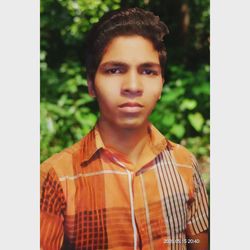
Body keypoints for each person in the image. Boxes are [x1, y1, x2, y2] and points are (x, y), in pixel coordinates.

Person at [40, 7, 209, 250]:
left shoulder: (185, 164)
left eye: (148, 71)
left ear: (161, 84)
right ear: (91, 83)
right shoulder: (55, 177)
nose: (132, 86)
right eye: (115, 70)